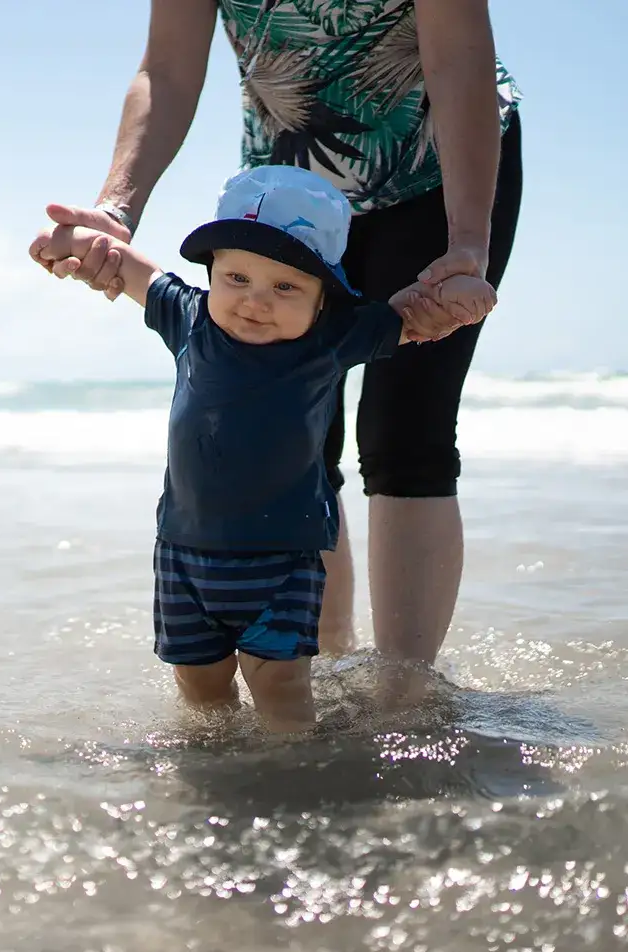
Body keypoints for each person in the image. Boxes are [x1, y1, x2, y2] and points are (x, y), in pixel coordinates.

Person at [28, 1, 523, 680]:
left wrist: (467, 240)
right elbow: (169, 70)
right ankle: (324, 668)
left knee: (407, 433)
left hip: (437, 167)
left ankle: (406, 693)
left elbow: (457, 56)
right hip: (287, 187)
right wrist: (116, 210)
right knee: (293, 429)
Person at [36, 164, 497, 731]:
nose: (256, 302)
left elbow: (415, 317)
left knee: (280, 685)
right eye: (237, 279)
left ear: (323, 298)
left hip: (283, 561)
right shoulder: (188, 318)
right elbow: (134, 269)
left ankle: (292, 780)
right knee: (199, 685)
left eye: (285, 287)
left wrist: (460, 294)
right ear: (212, 274)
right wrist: (77, 242)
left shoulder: (331, 339)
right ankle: (217, 777)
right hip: (184, 555)